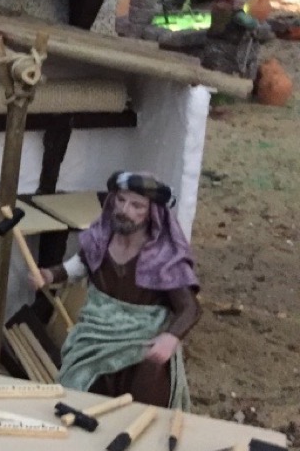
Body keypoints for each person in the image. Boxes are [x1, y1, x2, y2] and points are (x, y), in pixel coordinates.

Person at [35, 171, 200, 410]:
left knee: (143, 405)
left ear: (152, 212)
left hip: (141, 343)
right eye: (121, 200)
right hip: (95, 338)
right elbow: (79, 265)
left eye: (137, 206)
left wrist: (171, 338)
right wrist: (50, 275)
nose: (124, 210)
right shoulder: (100, 240)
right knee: (78, 394)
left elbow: (190, 308)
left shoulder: (163, 258)